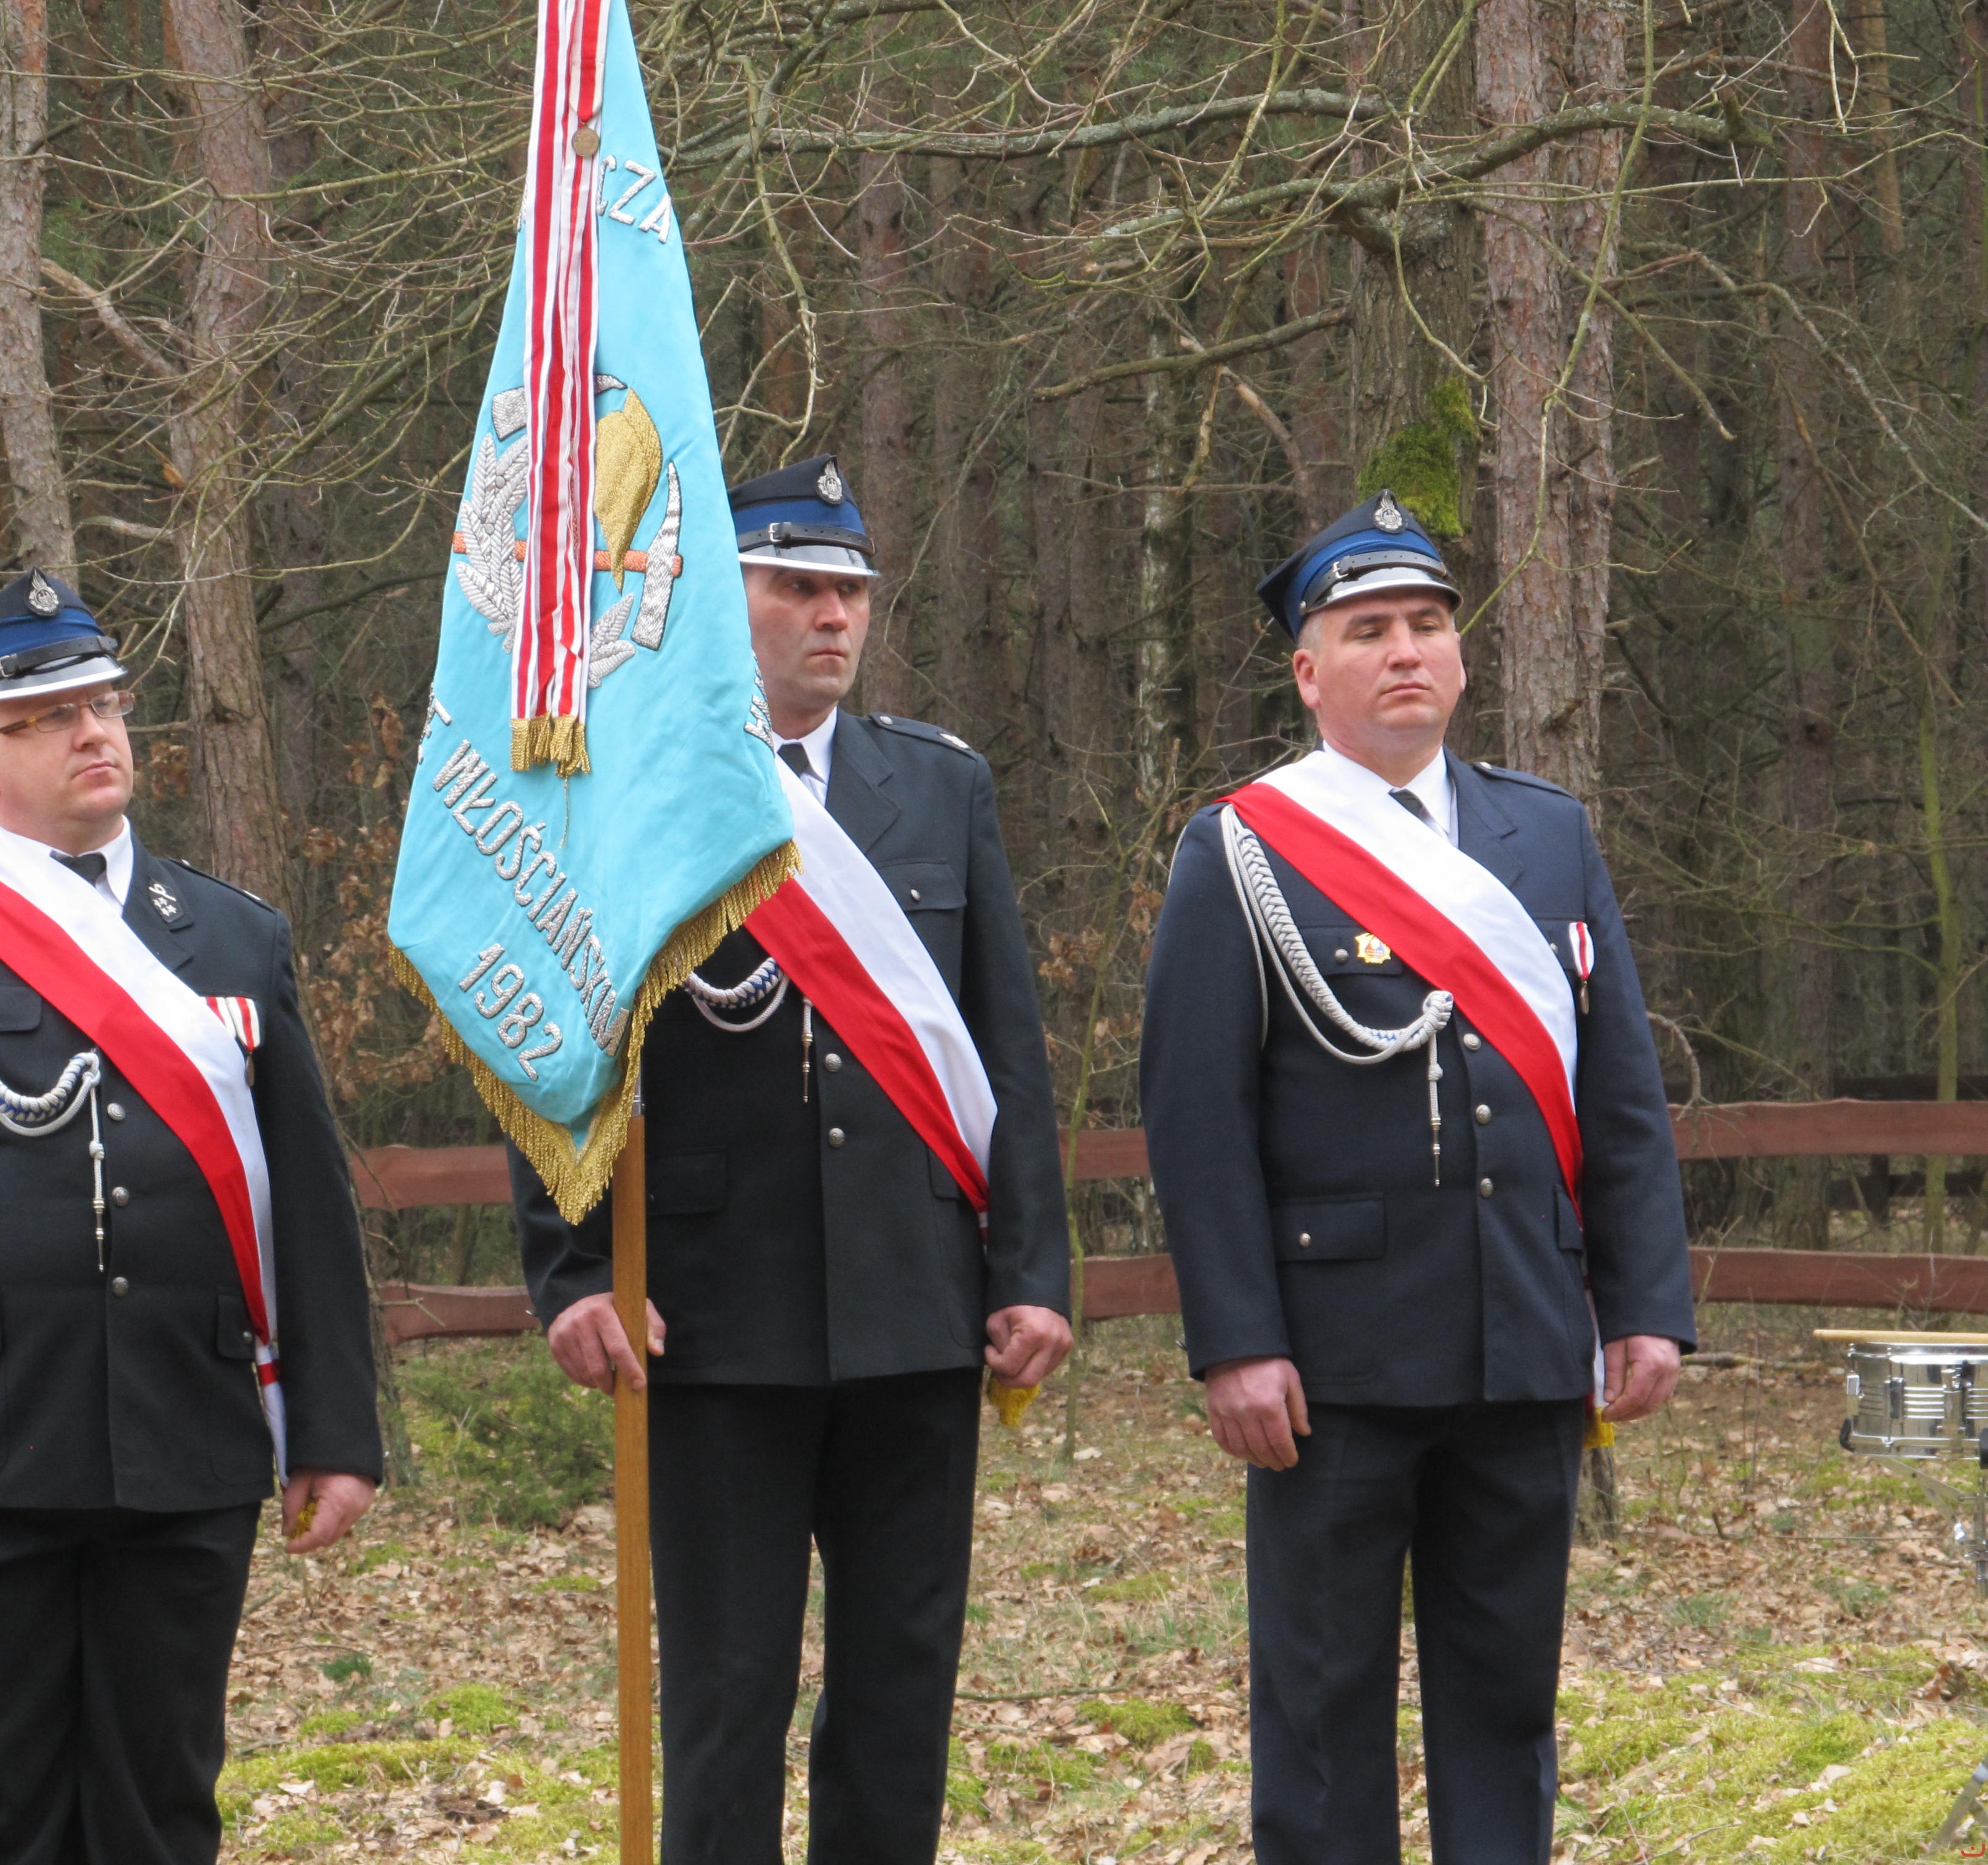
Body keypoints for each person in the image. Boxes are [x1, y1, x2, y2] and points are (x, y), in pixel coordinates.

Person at [509, 454, 1074, 1865]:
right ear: (722, 600)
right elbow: (552, 1044)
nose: (833, 617)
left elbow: (1004, 1051)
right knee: (725, 1689)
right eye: (797, 588)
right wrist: (571, 1271)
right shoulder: (626, 787)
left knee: (900, 1682)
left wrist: (1029, 1271)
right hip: (709, 1313)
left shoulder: (935, 785)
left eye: (851, 593)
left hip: (913, 1301)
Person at [0, 568, 384, 1865]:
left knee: (162, 1807)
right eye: (53, 716)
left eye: (106, 704)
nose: (96, 732)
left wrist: (335, 1430)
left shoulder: (232, 934)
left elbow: (309, 1202)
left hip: (189, 1424)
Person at [1139, 492, 1697, 1863]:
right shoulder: (1243, 847)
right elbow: (1196, 1120)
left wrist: (1643, 1305)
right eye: (1369, 629)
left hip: (1523, 1336)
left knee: (1505, 1705)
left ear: (1458, 653)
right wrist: (1237, 1340)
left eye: (1428, 625)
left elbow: (1619, 1096)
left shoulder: (1545, 835)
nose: (1405, 652)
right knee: (1323, 1711)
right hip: (1334, 1357)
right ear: (1306, 669)